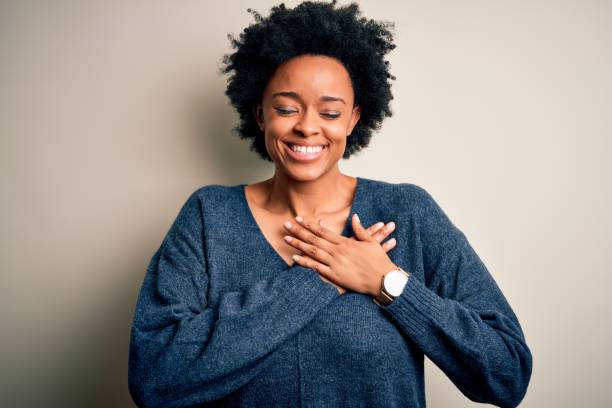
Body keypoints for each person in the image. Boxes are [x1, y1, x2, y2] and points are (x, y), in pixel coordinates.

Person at [128, 1, 533, 407]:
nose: (307, 125)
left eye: (330, 111)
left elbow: (507, 373)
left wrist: (388, 283)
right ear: (260, 113)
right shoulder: (209, 217)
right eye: (286, 108)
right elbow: (154, 377)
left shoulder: (406, 212)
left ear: (353, 119)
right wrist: (317, 280)